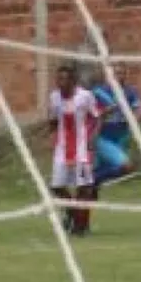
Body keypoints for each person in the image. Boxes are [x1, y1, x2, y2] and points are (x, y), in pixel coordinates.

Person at [47, 65, 101, 236]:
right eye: (58, 79)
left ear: (72, 81)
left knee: (84, 188)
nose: (60, 83)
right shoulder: (54, 97)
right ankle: (72, 212)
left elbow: (97, 117)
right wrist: (49, 133)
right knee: (56, 187)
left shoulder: (85, 96)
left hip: (81, 149)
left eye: (64, 79)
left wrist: (93, 137)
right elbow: (54, 120)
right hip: (62, 149)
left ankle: (81, 227)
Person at [90, 63, 141, 200]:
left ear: (125, 75)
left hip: (121, 137)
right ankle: (90, 180)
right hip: (103, 137)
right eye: (115, 73)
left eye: (121, 73)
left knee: (106, 169)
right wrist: (105, 112)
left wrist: (135, 120)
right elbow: (92, 114)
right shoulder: (98, 92)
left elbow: (138, 109)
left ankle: (90, 186)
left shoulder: (130, 91)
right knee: (125, 166)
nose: (118, 76)